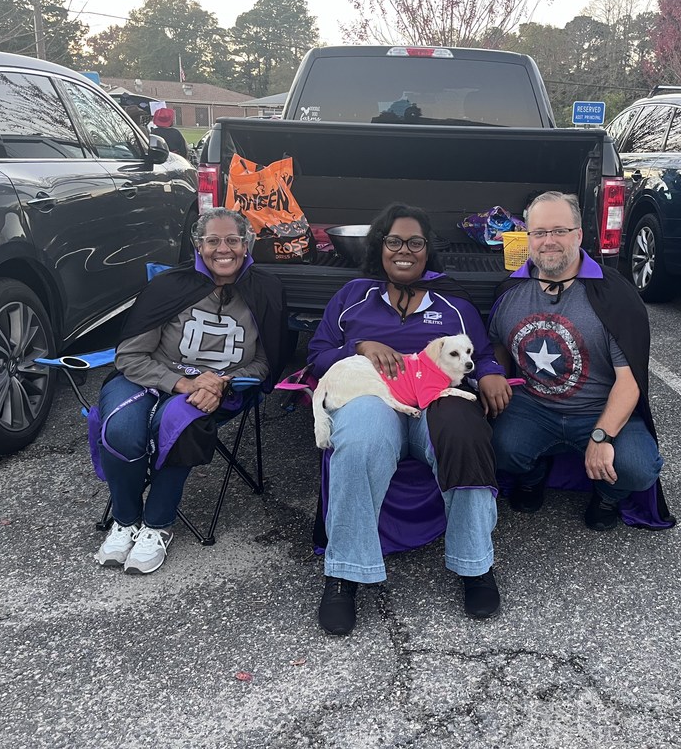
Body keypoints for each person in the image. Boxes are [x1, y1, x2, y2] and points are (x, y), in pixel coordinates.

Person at [307, 202, 510, 635]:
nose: (404, 251)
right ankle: (345, 572)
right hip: (372, 395)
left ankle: (474, 564)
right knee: (359, 440)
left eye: (415, 242)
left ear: (427, 249)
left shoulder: (453, 304)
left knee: (465, 434)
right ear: (379, 247)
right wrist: (359, 347)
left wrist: (491, 372)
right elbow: (318, 356)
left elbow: (481, 354)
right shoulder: (352, 297)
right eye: (394, 241)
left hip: (435, 398)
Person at [93, 207, 288, 574]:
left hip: (219, 391)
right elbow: (131, 356)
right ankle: (125, 520)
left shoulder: (266, 290)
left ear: (247, 244)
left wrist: (222, 382)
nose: (223, 249)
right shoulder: (169, 287)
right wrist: (184, 383)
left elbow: (267, 361)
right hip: (146, 378)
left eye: (232, 240)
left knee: (180, 426)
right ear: (198, 246)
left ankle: (157, 525)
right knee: (121, 429)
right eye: (212, 241)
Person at [486, 191, 668, 531]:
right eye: (540, 232)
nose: (549, 241)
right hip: (533, 408)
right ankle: (532, 476)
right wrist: (493, 377)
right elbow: (498, 349)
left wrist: (602, 436)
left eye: (560, 231)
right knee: (490, 445)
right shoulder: (510, 293)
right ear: (528, 237)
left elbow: (630, 380)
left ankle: (608, 496)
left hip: (599, 408)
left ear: (579, 235)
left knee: (638, 467)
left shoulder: (614, 296)